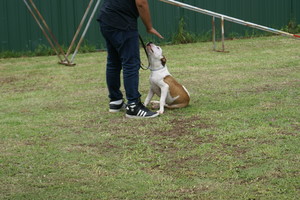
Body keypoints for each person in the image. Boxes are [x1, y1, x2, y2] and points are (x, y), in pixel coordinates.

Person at [97, 0, 163, 118]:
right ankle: (133, 106)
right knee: (131, 63)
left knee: (114, 61)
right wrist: (149, 27)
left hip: (106, 18)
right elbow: (141, 2)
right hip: (122, 22)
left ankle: (115, 101)